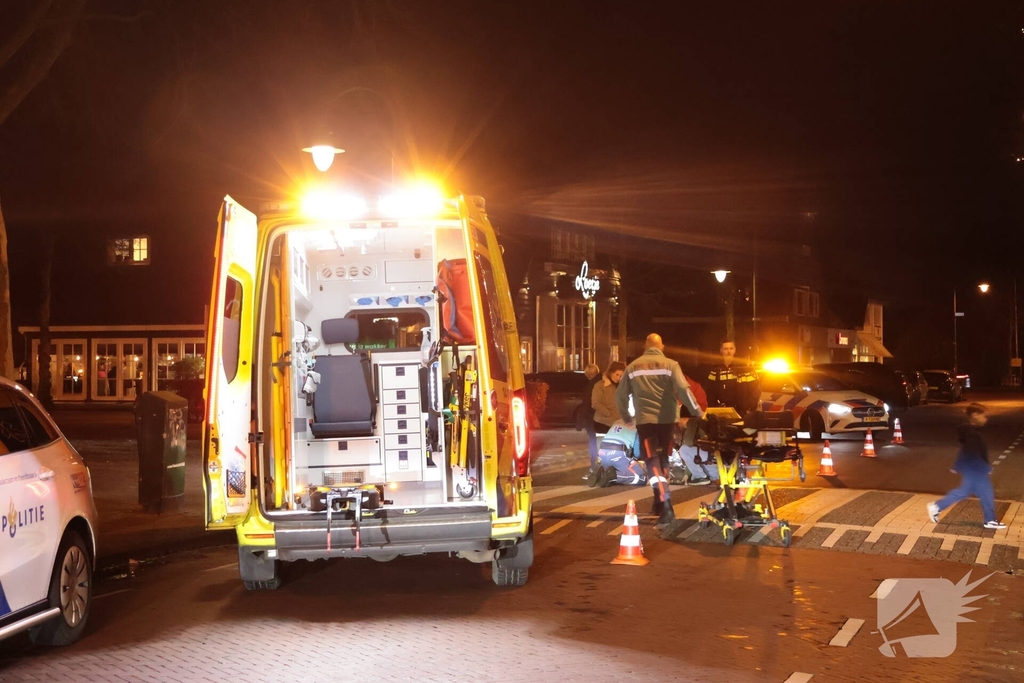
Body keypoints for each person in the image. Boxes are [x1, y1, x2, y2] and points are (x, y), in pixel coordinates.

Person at [616, 333, 704, 528]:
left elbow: (620, 396)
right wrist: (698, 412)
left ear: (645, 347)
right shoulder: (671, 365)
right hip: (667, 421)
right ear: (661, 347)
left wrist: (627, 417)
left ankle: (664, 503)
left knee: (651, 460)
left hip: (645, 422)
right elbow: (684, 390)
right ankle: (659, 501)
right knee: (663, 458)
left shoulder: (633, 367)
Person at [928, 403, 1006, 529]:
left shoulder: (971, 432)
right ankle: (989, 520)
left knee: (970, 492)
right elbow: (971, 452)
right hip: (975, 469)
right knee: (982, 493)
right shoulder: (972, 433)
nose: (986, 419)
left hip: (973, 468)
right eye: (984, 416)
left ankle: (938, 506)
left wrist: (957, 465)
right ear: (975, 415)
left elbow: (965, 450)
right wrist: (985, 467)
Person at [704, 339, 760, 417]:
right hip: (723, 411)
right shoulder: (716, 369)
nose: (729, 351)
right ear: (721, 350)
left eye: (731, 348)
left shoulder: (745, 367)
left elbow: (756, 389)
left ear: (735, 350)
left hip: (742, 411)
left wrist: (749, 407)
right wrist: (714, 407)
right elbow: (710, 391)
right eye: (725, 349)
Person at [577, 363, 602, 476]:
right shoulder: (605, 382)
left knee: (593, 442)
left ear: (588, 375)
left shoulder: (591, 385)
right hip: (605, 419)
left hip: (593, 419)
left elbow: (586, 404)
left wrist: (580, 423)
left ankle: (594, 466)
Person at [592, 361, 626, 433]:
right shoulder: (600, 385)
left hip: (618, 423)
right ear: (611, 372)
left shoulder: (621, 387)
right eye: (617, 374)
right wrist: (608, 413)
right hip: (603, 422)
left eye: (621, 376)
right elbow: (595, 403)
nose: (618, 378)